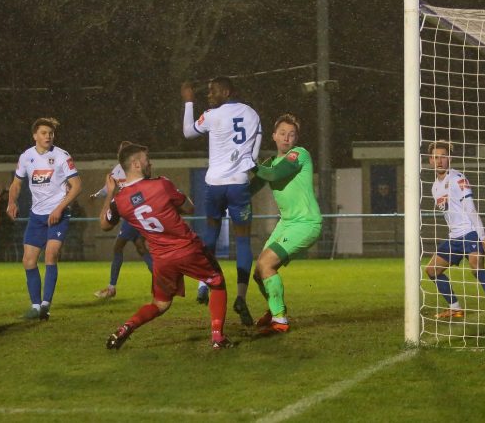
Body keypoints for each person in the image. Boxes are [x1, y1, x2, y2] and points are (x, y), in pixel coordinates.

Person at [100, 143, 231, 350]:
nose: (150, 163)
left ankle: (126, 327)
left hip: (162, 259)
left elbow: (105, 225)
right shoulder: (161, 184)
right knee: (217, 283)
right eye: (146, 160)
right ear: (135, 164)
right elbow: (189, 208)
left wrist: (110, 193)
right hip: (187, 249)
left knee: (160, 304)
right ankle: (217, 338)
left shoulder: (119, 201)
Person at [181, 76, 262, 326]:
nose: (209, 95)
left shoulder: (212, 115)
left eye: (212, 90)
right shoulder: (252, 114)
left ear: (226, 92)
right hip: (239, 184)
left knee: (210, 234)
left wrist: (188, 102)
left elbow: (188, 132)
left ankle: (204, 284)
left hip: (215, 184)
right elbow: (254, 154)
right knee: (243, 240)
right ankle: (241, 296)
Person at [249, 114, 322, 334]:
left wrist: (249, 163)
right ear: (273, 136)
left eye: (291, 134)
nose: (286, 138)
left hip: (306, 223)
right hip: (287, 222)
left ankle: (280, 321)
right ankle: (274, 310)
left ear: (296, 138)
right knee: (258, 272)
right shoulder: (270, 162)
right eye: (282, 133)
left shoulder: (299, 154)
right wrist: (228, 191)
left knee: (266, 265)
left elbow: (274, 175)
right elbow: (252, 187)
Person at [7, 117, 82, 320]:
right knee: (28, 260)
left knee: (51, 254)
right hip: (37, 216)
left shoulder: (62, 156)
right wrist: (12, 202)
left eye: (50, 133)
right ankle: (35, 306)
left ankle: (45, 306)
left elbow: (77, 186)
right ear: (35, 136)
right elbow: (16, 183)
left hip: (59, 214)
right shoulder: (26, 157)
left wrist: (59, 208)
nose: (48, 136)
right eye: (43, 133)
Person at [424, 140, 485, 323]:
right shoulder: (435, 187)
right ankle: (455, 308)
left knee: (477, 269)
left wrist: (482, 236)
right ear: (430, 160)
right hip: (454, 237)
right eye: (436, 157)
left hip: (469, 233)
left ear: (449, 159)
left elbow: (471, 209)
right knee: (431, 270)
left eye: (443, 157)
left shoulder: (458, 179)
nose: (439, 161)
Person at [90, 141, 153, 298]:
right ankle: (162, 279)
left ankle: (111, 288)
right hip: (130, 212)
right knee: (141, 247)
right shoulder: (118, 169)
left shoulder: (134, 168)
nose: (120, 154)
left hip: (134, 213)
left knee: (118, 247)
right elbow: (108, 187)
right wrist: (97, 195)